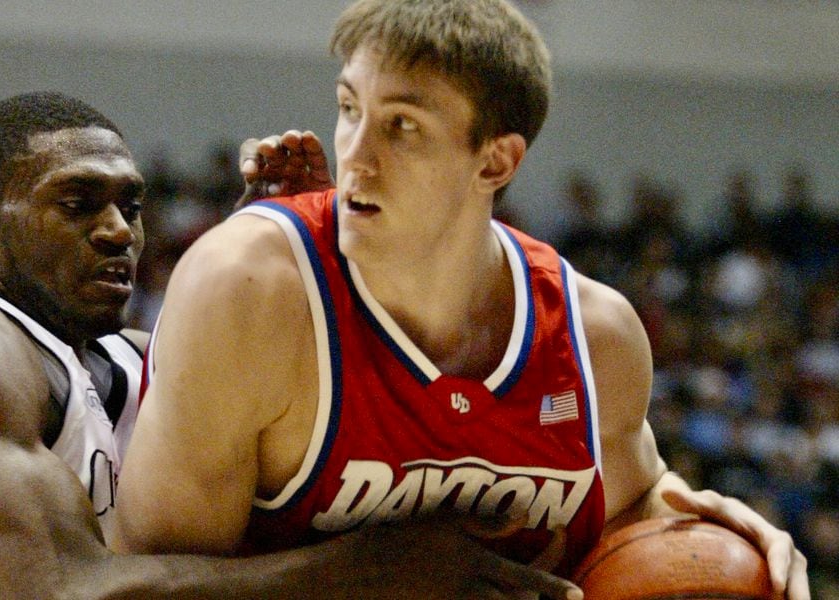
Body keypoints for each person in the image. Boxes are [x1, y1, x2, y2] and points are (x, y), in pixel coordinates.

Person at [114, 1, 809, 598]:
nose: (356, 155)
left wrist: (714, 535)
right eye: (350, 109)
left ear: (495, 161)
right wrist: (361, 575)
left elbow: (631, 519)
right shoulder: (250, 291)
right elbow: (137, 585)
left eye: (403, 126)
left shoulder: (596, 337)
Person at [0, 91, 573, 600]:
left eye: (130, 204)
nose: (119, 231)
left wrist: (288, 264)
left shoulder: (121, 358)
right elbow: (66, 588)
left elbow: (293, 389)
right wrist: (369, 570)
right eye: (77, 203)